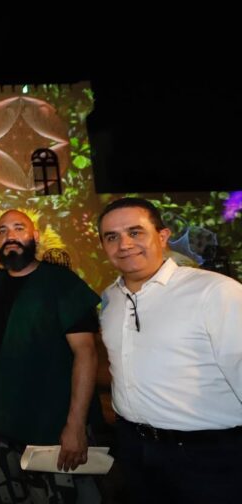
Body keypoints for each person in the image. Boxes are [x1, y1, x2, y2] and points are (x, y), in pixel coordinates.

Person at [97, 197, 242, 504]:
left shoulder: (214, 291)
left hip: (207, 456)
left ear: (162, 236)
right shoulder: (110, 299)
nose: (124, 244)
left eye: (135, 232)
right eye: (112, 237)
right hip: (134, 449)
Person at [0, 210, 101, 503]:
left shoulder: (62, 283)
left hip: (54, 427)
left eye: (19, 228)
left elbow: (87, 354)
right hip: (4, 430)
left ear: (35, 236)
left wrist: (76, 425)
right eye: (2, 231)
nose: (10, 237)